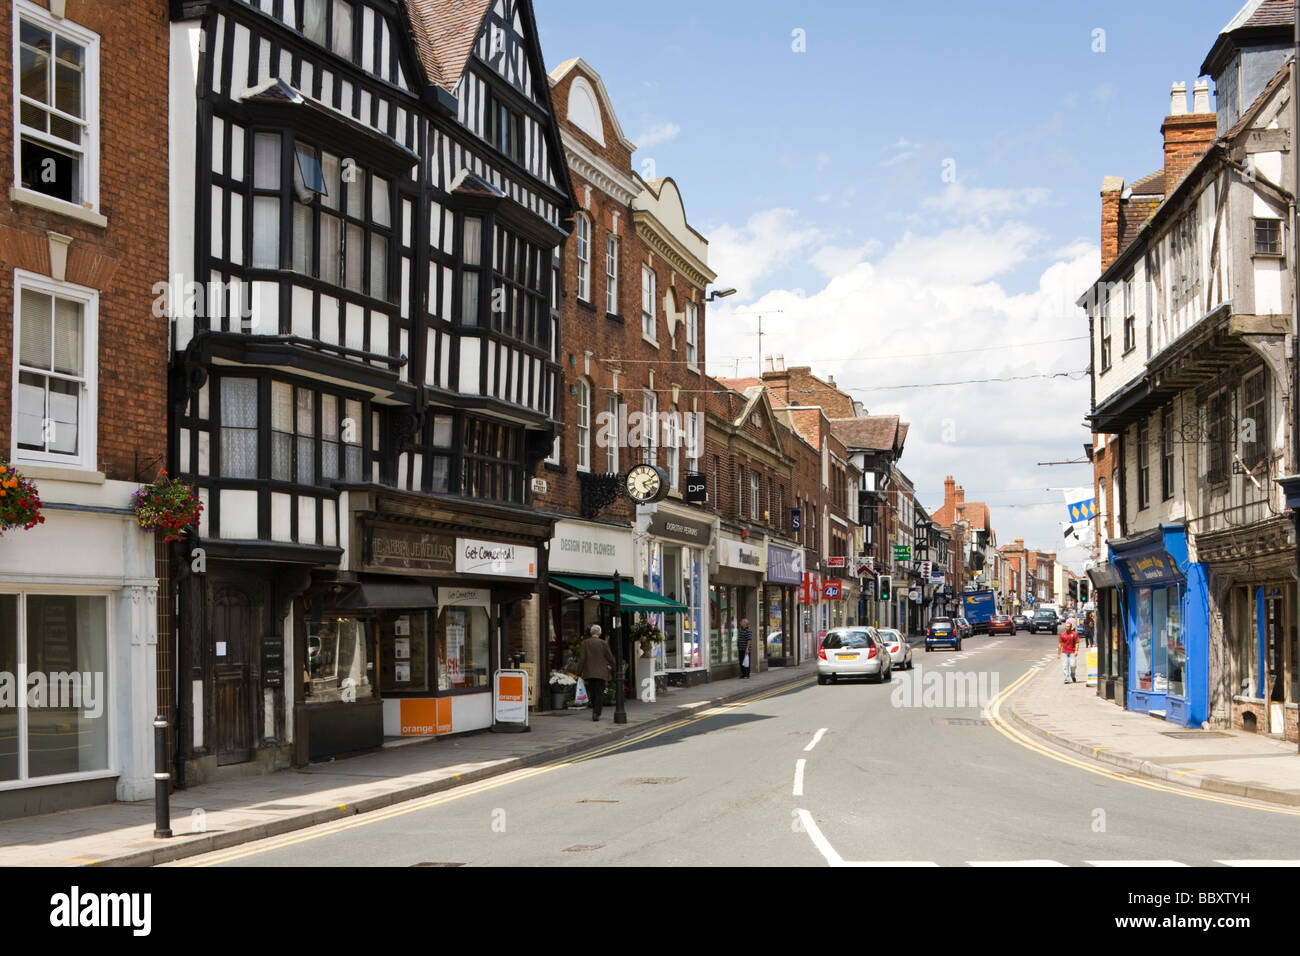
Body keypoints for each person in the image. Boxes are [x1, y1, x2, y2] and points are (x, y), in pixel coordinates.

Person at [574, 624, 616, 721]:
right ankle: (596, 712)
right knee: (599, 693)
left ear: (591, 633)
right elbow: (609, 657)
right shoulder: (603, 643)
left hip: (589, 673)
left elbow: (582, 659)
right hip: (601, 673)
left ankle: (595, 710)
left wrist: (579, 672)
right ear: (600, 633)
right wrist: (615, 667)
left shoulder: (585, 643)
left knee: (593, 693)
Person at [1058, 618, 1080, 684]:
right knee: (1065, 666)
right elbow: (1060, 645)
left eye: (1068, 626)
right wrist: (1059, 654)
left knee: (1073, 665)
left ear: (1071, 627)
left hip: (1072, 652)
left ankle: (1073, 675)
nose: (1067, 628)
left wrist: (1076, 651)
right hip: (1064, 652)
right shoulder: (1062, 634)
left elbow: (1077, 643)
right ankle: (1066, 679)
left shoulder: (1075, 634)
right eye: (1066, 626)